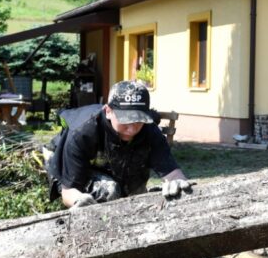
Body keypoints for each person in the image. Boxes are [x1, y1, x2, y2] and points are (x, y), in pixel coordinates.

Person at [46, 80, 191, 209]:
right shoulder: (83, 131)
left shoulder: (149, 129)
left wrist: (177, 183)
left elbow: (173, 174)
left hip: (116, 162)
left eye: (138, 120)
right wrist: (78, 200)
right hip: (68, 165)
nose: (132, 128)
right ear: (108, 111)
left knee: (136, 196)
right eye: (126, 120)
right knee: (110, 191)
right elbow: (68, 191)